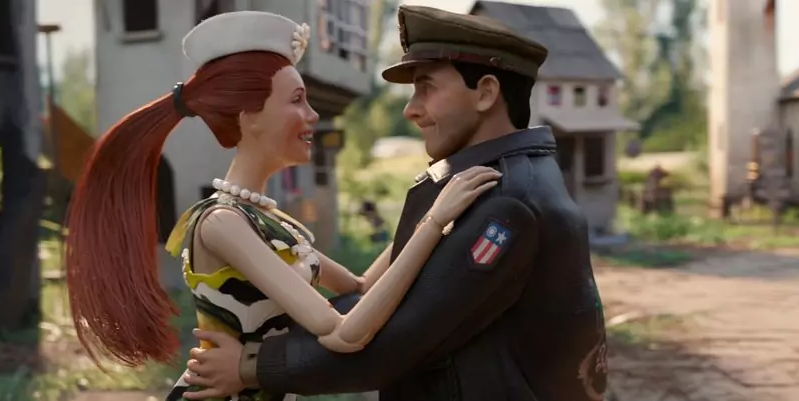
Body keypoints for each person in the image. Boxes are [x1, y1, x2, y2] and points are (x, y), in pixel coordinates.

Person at [62, 10, 500, 401]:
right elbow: (343, 334)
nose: (312, 115)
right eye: (296, 100)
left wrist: (428, 204)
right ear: (248, 117)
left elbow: (361, 287)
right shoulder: (221, 223)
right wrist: (433, 222)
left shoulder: (269, 221)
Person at [181, 6, 609, 401]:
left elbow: (390, 340)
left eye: (426, 88)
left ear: (485, 93)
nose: (410, 110)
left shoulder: (502, 200)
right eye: (296, 100)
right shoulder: (489, 181)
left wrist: (251, 366)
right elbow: (363, 300)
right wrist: (432, 221)